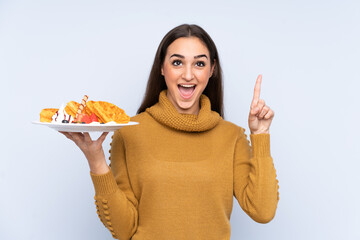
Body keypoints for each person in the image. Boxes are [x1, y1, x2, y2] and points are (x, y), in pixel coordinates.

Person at [60, 24, 279, 240]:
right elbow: (123, 229)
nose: (188, 75)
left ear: (212, 70)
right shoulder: (129, 133)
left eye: (199, 64)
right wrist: (96, 161)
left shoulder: (231, 137)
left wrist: (260, 136)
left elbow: (262, 211)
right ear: (162, 68)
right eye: (177, 63)